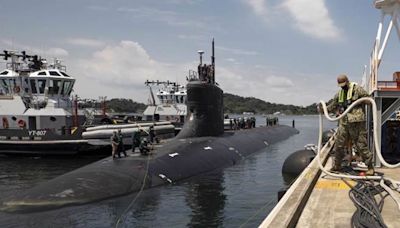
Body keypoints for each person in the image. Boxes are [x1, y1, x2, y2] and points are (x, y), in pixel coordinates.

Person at [322, 74, 373, 174]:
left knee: (361, 144)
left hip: (356, 122)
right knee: (339, 144)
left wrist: (359, 102)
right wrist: (323, 109)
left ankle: (370, 166)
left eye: (344, 84)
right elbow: (333, 105)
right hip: (344, 122)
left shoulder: (357, 89)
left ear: (347, 81)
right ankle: (337, 166)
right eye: (340, 85)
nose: (342, 87)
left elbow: (369, 100)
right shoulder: (339, 94)